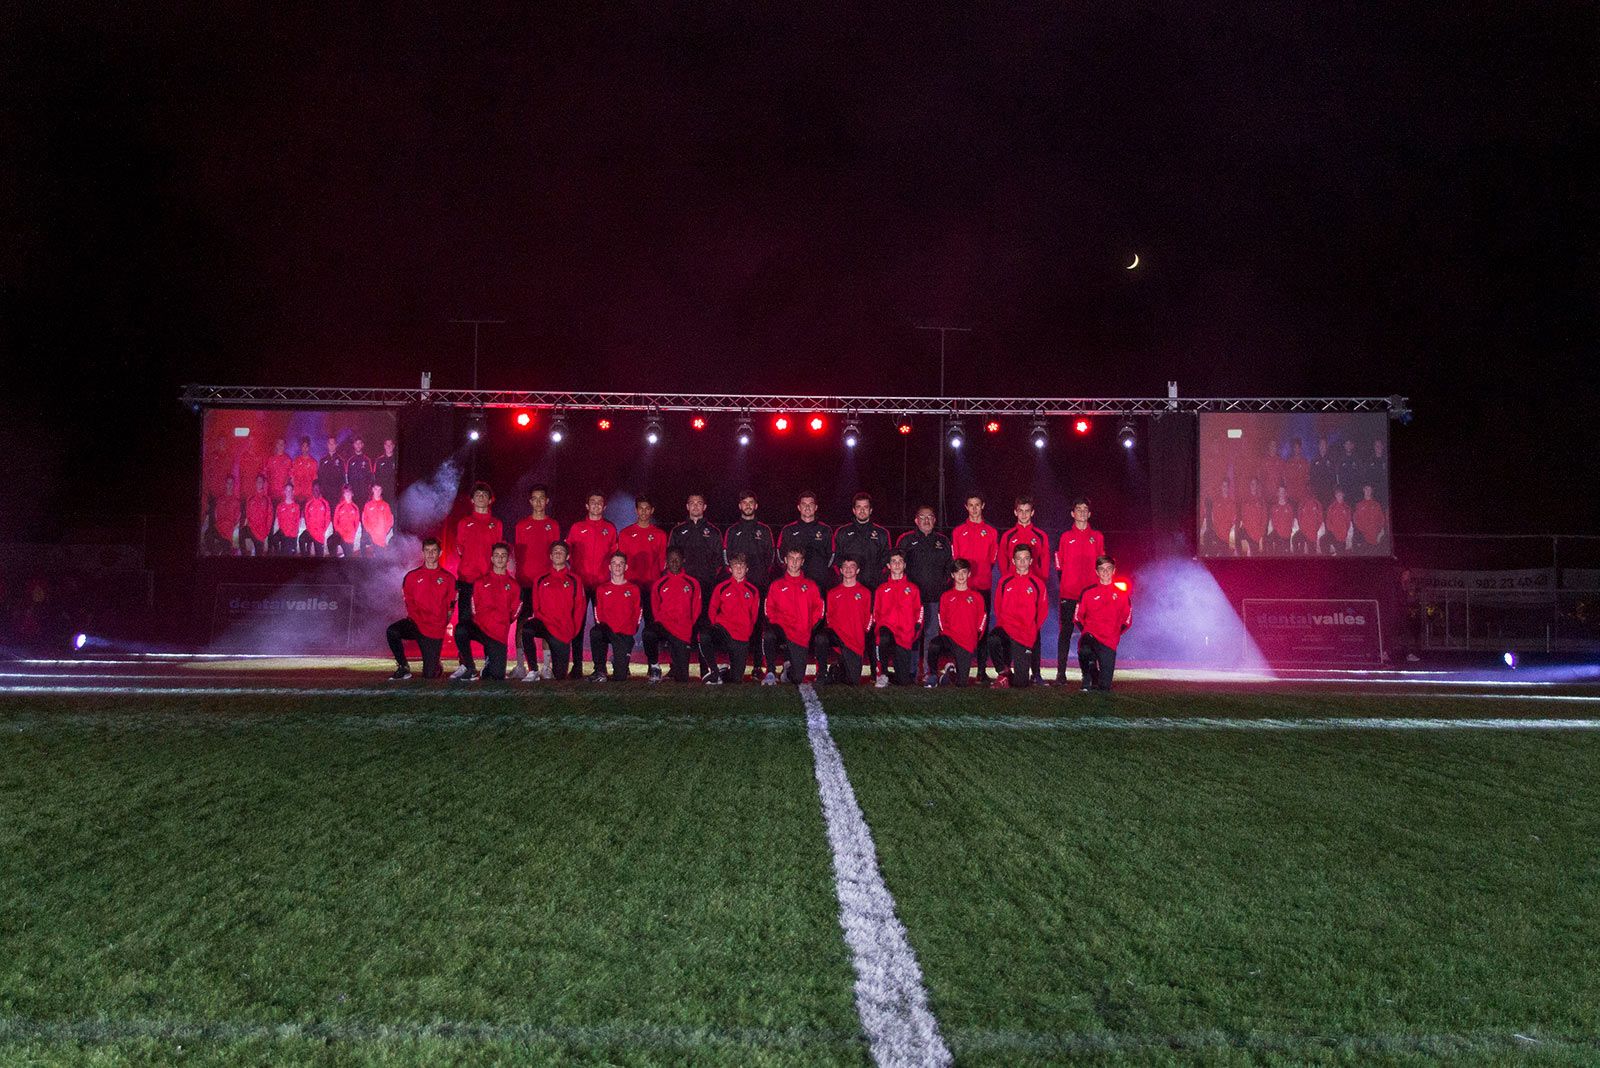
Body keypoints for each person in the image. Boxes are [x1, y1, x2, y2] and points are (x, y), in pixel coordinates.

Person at [450, 482, 504, 680]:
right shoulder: (464, 523)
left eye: (485, 494)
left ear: (490, 500)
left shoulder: (496, 524)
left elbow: (498, 552)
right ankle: (466, 664)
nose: (481, 497)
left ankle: (490, 662)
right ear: (472, 500)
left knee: (489, 623)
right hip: (467, 580)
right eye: (477, 494)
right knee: (464, 624)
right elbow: (461, 548)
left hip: (489, 583)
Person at [722, 492, 776, 676]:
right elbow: (725, 557)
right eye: (744, 502)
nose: (747, 505)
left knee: (759, 626)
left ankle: (757, 667)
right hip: (737, 587)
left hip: (759, 586)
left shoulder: (764, 530)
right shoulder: (732, 530)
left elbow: (771, 558)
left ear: (756, 505)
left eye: (751, 502)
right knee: (735, 624)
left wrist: (759, 576)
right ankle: (735, 663)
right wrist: (737, 578)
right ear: (740, 506)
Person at [998, 496, 1050, 683]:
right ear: (1015, 512)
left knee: (1034, 631)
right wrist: (1011, 581)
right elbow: (1003, 563)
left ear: (1033, 512)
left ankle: (1036, 673)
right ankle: (1005, 670)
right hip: (1013, 588)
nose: (1024, 514)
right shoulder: (1008, 536)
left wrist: (1038, 585)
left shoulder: (1041, 536)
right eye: (1021, 510)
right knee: (1007, 630)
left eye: (1028, 510)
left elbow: (1044, 563)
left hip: (1033, 591)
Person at [386, 537, 454, 680]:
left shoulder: (448, 579)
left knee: (430, 675)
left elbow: (450, 608)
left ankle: (435, 663)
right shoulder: (411, 577)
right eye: (427, 551)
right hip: (415, 624)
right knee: (392, 631)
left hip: (434, 629)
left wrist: (440, 626)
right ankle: (403, 667)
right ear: (422, 553)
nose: (430, 554)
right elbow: (408, 603)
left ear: (440, 553)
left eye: (434, 551)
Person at [896, 505, 952, 678]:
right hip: (911, 600)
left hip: (934, 598)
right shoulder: (906, 540)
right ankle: (911, 671)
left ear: (934, 520)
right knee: (911, 635)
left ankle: (929, 671)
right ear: (916, 520)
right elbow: (897, 566)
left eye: (930, 517)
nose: (926, 521)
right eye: (922, 517)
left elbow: (950, 569)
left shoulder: (943, 542)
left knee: (931, 636)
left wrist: (942, 586)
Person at [1054, 496, 1105, 683]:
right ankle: (1061, 673)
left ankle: (1092, 671)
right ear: (1072, 513)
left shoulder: (1097, 537)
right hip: (1069, 594)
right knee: (1065, 633)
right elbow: (1059, 565)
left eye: (1085, 509)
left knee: (1092, 634)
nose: (1082, 512)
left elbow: (1102, 564)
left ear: (1089, 514)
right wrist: (1067, 583)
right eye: (1078, 509)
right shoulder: (1066, 538)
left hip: (1091, 596)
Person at [567, 492, 619, 670]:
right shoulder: (577, 527)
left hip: (602, 585)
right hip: (580, 584)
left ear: (604, 507)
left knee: (602, 625)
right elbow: (566, 553)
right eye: (593, 502)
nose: (596, 505)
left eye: (600, 503)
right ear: (587, 506)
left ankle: (600, 665)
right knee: (577, 625)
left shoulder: (610, 529)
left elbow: (615, 557)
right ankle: (577, 665)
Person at [668, 493, 721, 668]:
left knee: (703, 626)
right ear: (687, 506)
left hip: (705, 586)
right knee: (680, 625)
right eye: (693, 503)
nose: (696, 506)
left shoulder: (713, 531)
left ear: (705, 507)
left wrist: (709, 577)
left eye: (700, 503)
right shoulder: (678, 531)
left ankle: (704, 666)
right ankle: (677, 666)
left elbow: (719, 560)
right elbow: (671, 558)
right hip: (682, 587)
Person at [513, 485, 561, 672]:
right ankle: (520, 665)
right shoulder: (522, 526)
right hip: (525, 582)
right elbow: (518, 554)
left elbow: (557, 553)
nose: (539, 502)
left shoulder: (553, 525)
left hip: (547, 584)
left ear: (547, 501)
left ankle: (547, 666)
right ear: (530, 501)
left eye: (542, 498)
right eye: (535, 498)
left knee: (546, 623)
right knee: (522, 622)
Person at [951, 493, 1000, 679]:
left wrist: (981, 576)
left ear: (982, 506)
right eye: (970, 505)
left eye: (977, 505)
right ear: (966, 507)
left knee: (982, 629)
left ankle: (981, 670)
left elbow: (992, 560)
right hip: (963, 588)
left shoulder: (992, 532)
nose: (974, 509)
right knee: (960, 628)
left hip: (983, 586)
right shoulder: (958, 531)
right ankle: (959, 666)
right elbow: (956, 560)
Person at [987, 544, 1049, 689]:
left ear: (1031, 561)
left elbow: (1042, 611)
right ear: (1013, 561)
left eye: (1026, 558)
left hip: (1025, 634)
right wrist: (1004, 625)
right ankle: (1003, 672)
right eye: (1019, 559)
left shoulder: (1038, 584)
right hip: (1007, 629)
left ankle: (1009, 678)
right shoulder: (1004, 581)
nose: (1022, 562)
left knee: (1021, 684)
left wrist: (1031, 628)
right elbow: (998, 606)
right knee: (993, 639)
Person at [523, 541, 586, 681]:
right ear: (550, 556)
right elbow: (536, 606)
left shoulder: (575, 579)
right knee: (527, 628)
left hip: (563, 630)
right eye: (555, 551)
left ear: (568, 556)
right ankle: (533, 670)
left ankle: (555, 667)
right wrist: (546, 621)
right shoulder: (540, 579)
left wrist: (572, 631)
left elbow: (580, 608)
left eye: (561, 551)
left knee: (560, 675)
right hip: (544, 624)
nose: (558, 553)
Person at [764, 547, 824, 684]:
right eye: (791, 558)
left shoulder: (811, 585)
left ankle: (788, 667)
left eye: (798, 559)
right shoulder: (776, 584)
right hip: (782, 630)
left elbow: (819, 610)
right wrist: (778, 624)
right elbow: (769, 609)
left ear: (802, 562)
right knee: (768, 635)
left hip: (801, 634)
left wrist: (808, 626)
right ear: (785, 560)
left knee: (796, 678)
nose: (794, 562)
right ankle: (771, 671)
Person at [1074, 555, 1132, 692]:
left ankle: (1097, 674)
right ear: (1096, 572)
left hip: (1109, 641)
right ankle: (1087, 675)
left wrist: (1115, 633)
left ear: (1114, 571)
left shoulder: (1122, 595)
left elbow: (1127, 620)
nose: (1105, 572)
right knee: (1085, 650)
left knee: (1104, 687)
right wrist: (1086, 631)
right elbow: (1077, 617)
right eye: (1101, 569)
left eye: (1108, 569)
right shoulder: (1088, 592)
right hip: (1091, 636)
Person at [702, 553, 761, 684]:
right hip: (723, 632)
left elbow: (754, 616)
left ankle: (724, 672)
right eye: (735, 566)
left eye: (742, 565)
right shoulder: (721, 587)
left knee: (736, 680)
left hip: (741, 637)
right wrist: (716, 626)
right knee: (704, 636)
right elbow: (712, 609)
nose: (739, 569)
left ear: (747, 569)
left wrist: (746, 633)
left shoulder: (753, 591)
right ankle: (714, 671)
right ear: (730, 569)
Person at [926, 559, 986, 687]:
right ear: (952, 575)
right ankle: (933, 675)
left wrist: (975, 637)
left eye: (964, 572)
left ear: (969, 574)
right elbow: (941, 619)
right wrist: (946, 634)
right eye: (957, 573)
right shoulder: (946, 596)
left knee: (961, 684)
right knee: (934, 645)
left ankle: (950, 673)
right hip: (950, 638)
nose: (961, 576)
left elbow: (982, 620)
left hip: (967, 643)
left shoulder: (977, 597)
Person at [645, 547, 702, 682]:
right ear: (667, 562)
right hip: (664, 626)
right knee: (648, 633)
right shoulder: (659, 584)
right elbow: (655, 609)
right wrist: (664, 623)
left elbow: (696, 609)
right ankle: (654, 666)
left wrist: (686, 625)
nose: (674, 563)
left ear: (683, 561)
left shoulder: (692, 583)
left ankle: (677, 665)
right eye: (671, 560)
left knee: (682, 679)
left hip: (682, 631)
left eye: (677, 560)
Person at [812, 558, 872, 685]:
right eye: (845, 566)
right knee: (821, 637)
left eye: (852, 566)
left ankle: (835, 670)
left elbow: (869, 617)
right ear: (840, 570)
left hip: (855, 641)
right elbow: (829, 616)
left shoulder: (865, 593)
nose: (848, 569)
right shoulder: (833, 593)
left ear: (858, 570)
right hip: (838, 637)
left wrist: (863, 633)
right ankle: (822, 674)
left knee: (852, 682)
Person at [619, 496, 668, 639]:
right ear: (636, 510)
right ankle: (623, 653)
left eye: (647, 508)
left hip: (651, 586)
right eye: (641, 508)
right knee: (627, 621)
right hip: (630, 586)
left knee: (651, 623)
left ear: (652, 511)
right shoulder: (625, 533)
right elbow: (620, 562)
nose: (644, 512)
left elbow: (662, 562)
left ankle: (652, 658)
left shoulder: (660, 535)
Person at [589, 550, 643, 681]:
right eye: (614, 563)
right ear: (609, 567)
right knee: (596, 632)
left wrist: (631, 630)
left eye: (621, 564)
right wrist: (604, 628)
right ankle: (600, 670)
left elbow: (638, 612)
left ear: (626, 567)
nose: (617, 567)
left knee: (620, 677)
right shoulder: (602, 589)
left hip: (624, 633)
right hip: (607, 631)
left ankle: (618, 660)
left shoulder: (634, 589)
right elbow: (598, 613)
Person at [470, 543, 521, 681]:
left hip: (499, 634)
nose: (500, 559)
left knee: (497, 675)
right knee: (461, 631)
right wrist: (482, 621)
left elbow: (514, 612)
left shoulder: (514, 585)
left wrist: (501, 621)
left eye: (503, 556)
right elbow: (474, 607)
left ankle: (489, 663)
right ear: (492, 559)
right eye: (497, 555)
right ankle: (469, 667)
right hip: (481, 629)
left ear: (508, 560)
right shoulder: (480, 582)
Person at [873, 549, 923, 687]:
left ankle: (892, 676)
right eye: (893, 561)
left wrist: (915, 631)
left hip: (904, 635)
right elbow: (876, 612)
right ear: (888, 566)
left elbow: (920, 612)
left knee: (903, 682)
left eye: (900, 561)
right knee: (883, 637)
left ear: (905, 565)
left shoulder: (913, 589)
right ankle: (882, 674)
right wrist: (878, 630)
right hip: (887, 630)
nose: (897, 564)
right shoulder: (882, 589)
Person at [777, 490, 834, 588]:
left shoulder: (825, 530)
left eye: (811, 504)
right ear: (799, 507)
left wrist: (820, 570)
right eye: (804, 504)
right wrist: (791, 571)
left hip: (818, 581)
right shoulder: (788, 529)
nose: (807, 507)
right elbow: (780, 556)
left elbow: (832, 556)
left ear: (815, 507)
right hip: (793, 581)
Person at [208, 475, 241, 556]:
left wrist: (232, 528)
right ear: (225, 484)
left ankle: (223, 548)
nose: (229, 485)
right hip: (218, 529)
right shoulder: (220, 499)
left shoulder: (236, 501)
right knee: (208, 535)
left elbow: (237, 519)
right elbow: (216, 514)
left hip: (228, 532)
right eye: (228, 483)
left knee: (225, 553)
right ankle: (218, 549)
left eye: (231, 483)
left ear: (233, 485)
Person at [244, 474, 273, 557]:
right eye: (257, 481)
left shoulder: (267, 499)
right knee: (241, 533)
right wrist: (250, 525)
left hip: (261, 531)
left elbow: (270, 516)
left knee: (259, 552)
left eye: (261, 482)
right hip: (251, 529)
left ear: (263, 484)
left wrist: (266, 531)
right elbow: (248, 514)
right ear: (255, 483)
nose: (259, 483)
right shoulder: (250, 498)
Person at [1238, 477, 1268, 557]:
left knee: (1255, 556)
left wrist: (1260, 534)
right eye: (1251, 484)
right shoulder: (1245, 499)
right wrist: (1246, 530)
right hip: (1247, 533)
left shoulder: (1261, 501)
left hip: (1257, 534)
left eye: (1255, 484)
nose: (1253, 486)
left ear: (1257, 486)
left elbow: (1264, 519)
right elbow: (1243, 516)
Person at [300, 481, 331, 556]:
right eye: (314, 489)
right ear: (312, 490)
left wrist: (321, 530)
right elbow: (307, 519)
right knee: (301, 539)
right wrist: (310, 529)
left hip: (319, 534)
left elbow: (328, 519)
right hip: (310, 532)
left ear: (320, 490)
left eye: (317, 489)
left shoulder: (325, 503)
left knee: (319, 556)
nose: (316, 491)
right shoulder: (308, 503)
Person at [362, 483, 394, 555]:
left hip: (381, 536)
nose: (377, 492)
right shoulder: (368, 505)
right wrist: (370, 531)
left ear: (381, 491)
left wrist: (385, 531)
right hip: (371, 535)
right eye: (376, 489)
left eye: (379, 489)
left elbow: (390, 520)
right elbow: (364, 519)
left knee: (381, 555)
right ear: (373, 490)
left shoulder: (385, 505)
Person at [1354, 484, 1387, 553]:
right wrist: (1360, 536)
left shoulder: (1376, 504)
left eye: (1370, 489)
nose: (1368, 491)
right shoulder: (1359, 505)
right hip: (1364, 539)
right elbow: (1356, 521)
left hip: (1376, 538)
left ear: (1372, 491)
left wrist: (1380, 533)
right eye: (1366, 489)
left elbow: (1382, 519)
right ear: (1363, 490)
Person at [271, 482, 302, 556]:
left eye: (290, 490)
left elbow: (298, 522)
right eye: (287, 490)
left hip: (291, 536)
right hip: (282, 534)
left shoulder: (296, 507)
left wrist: (293, 536)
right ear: (284, 491)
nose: (288, 492)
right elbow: (277, 521)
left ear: (293, 492)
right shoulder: (280, 506)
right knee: (273, 539)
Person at [331, 485, 361, 558]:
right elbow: (335, 521)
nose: (347, 495)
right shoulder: (339, 506)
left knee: (349, 557)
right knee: (330, 541)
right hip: (340, 535)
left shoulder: (355, 508)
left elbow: (356, 524)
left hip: (350, 537)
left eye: (349, 493)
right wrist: (340, 532)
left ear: (352, 494)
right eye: (345, 493)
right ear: (343, 494)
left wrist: (351, 534)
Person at [1324, 487, 1354, 554]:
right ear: (1335, 495)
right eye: (1338, 495)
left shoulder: (1346, 507)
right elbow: (1328, 520)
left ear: (1343, 495)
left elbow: (1348, 521)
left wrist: (1344, 531)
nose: (1339, 496)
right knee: (1335, 549)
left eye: (1341, 495)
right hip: (1334, 534)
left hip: (1343, 535)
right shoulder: (1331, 507)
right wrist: (1333, 530)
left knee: (1342, 552)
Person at [1267, 485, 1295, 555]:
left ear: (1286, 493)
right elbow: (1272, 522)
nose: (1281, 493)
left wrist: (1287, 534)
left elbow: (1292, 522)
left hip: (1286, 537)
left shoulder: (1289, 507)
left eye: (1283, 491)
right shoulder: (1274, 507)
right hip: (1277, 537)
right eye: (1280, 491)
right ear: (1277, 493)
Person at [345, 437, 374, 504]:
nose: (358, 445)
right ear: (353, 445)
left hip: (364, 492)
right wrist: (349, 490)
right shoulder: (350, 460)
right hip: (353, 492)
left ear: (362, 445)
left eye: (359, 443)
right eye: (356, 443)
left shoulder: (367, 460)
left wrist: (368, 490)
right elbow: (347, 477)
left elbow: (371, 476)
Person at [1309, 436, 1337, 505]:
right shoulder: (1314, 460)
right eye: (1321, 444)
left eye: (1324, 444)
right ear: (1318, 446)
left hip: (1328, 492)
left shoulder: (1331, 460)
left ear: (1327, 446)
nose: (1322, 446)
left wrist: (1333, 489)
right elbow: (1311, 476)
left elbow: (1334, 476)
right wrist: (1313, 490)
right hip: (1317, 492)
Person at [289, 437, 318, 503]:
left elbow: (314, 480)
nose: (305, 448)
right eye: (303, 446)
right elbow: (292, 478)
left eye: (306, 446)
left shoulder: (313, 462)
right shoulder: (296, 461)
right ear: (301, 447)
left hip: (308, 495)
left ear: (309, 447)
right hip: (297, 495)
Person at [318, 436, 346, 503]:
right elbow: (320, 477)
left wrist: (340, 492)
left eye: (333, 444)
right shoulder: (323, 461)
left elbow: (343, 478)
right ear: (327, 445)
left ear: (336, 445)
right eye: (330, 444)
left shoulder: (341, 461)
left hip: (336, 494)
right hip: (325, 493)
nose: (331, 446)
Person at [1283, 438, 1311, 504]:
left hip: (1302, 496)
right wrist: (1288, 493)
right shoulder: (1289, 462)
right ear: (1293, 449)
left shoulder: (1305, 462)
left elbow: (1308, 478)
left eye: (1298, 448)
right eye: (1295, 448)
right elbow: (1286, 478)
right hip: (1291, 496)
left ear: (1301, 449)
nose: (1296, 449)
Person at [264, 438, 293, 502]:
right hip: (272, 493)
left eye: (282, 444)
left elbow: (291, 477)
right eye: (279, 444)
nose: (280, 446)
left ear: (285, 446)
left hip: (283, 494)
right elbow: (266, 476)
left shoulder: (288, 460)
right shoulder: (270, 459)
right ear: (276, 445)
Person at [374, 438, 399, 502]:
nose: (389, 447)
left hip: (395, 494)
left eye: (390, 445)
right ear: (384, 446)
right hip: (383, 494)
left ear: (393, 446)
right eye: (387, 445)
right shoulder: (379, 461)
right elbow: (375, 477)